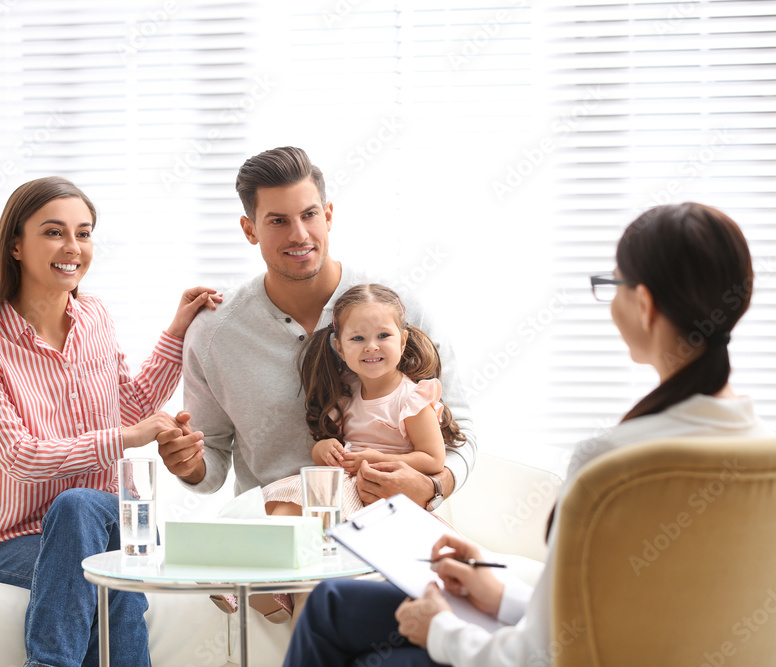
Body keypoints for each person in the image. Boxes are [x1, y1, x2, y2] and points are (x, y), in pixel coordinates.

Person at [282, 201, 773, 666]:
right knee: (339, 605)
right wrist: (497, 592)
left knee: (361, 636)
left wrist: (442, 630)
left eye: (614, 284)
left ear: (642, 304)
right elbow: (609, 617)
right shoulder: (761, 454)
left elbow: (540, 655)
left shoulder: (614, 464)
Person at [156, 146, 478, 622]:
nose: (300, 234)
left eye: (309, 215)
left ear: (328, 215)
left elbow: (462, 428)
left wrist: (431, 486)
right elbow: (213, 465)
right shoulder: (215, 333)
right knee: (319, 593)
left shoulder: (395, 310)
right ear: (249, 229)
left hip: (393, 521)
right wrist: (187, 465)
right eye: (278, 221)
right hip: (284, 542)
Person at [0, 176, 220, 667]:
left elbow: (127, 405)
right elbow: (21, 458)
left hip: (109, 525)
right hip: (13, 541)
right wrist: (130, 437)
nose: (73, 247)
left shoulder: (95, 318)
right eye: (54, 232)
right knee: (110, 578)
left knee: (87, 513)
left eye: (83, 233)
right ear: (15, 245)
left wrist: (177, 332)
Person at [264, 283, 466, 518]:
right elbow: (324, 453)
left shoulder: (412, 399)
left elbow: (433, 459)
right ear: (340, 349)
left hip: (382, 493)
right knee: (284, 509)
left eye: (383, 336)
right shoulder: (346, 394)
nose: (371, 346)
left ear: (402, 341)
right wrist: (324, 449)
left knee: (297, 514)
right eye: (358, 338)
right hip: (346, 486)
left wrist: (377, 459)